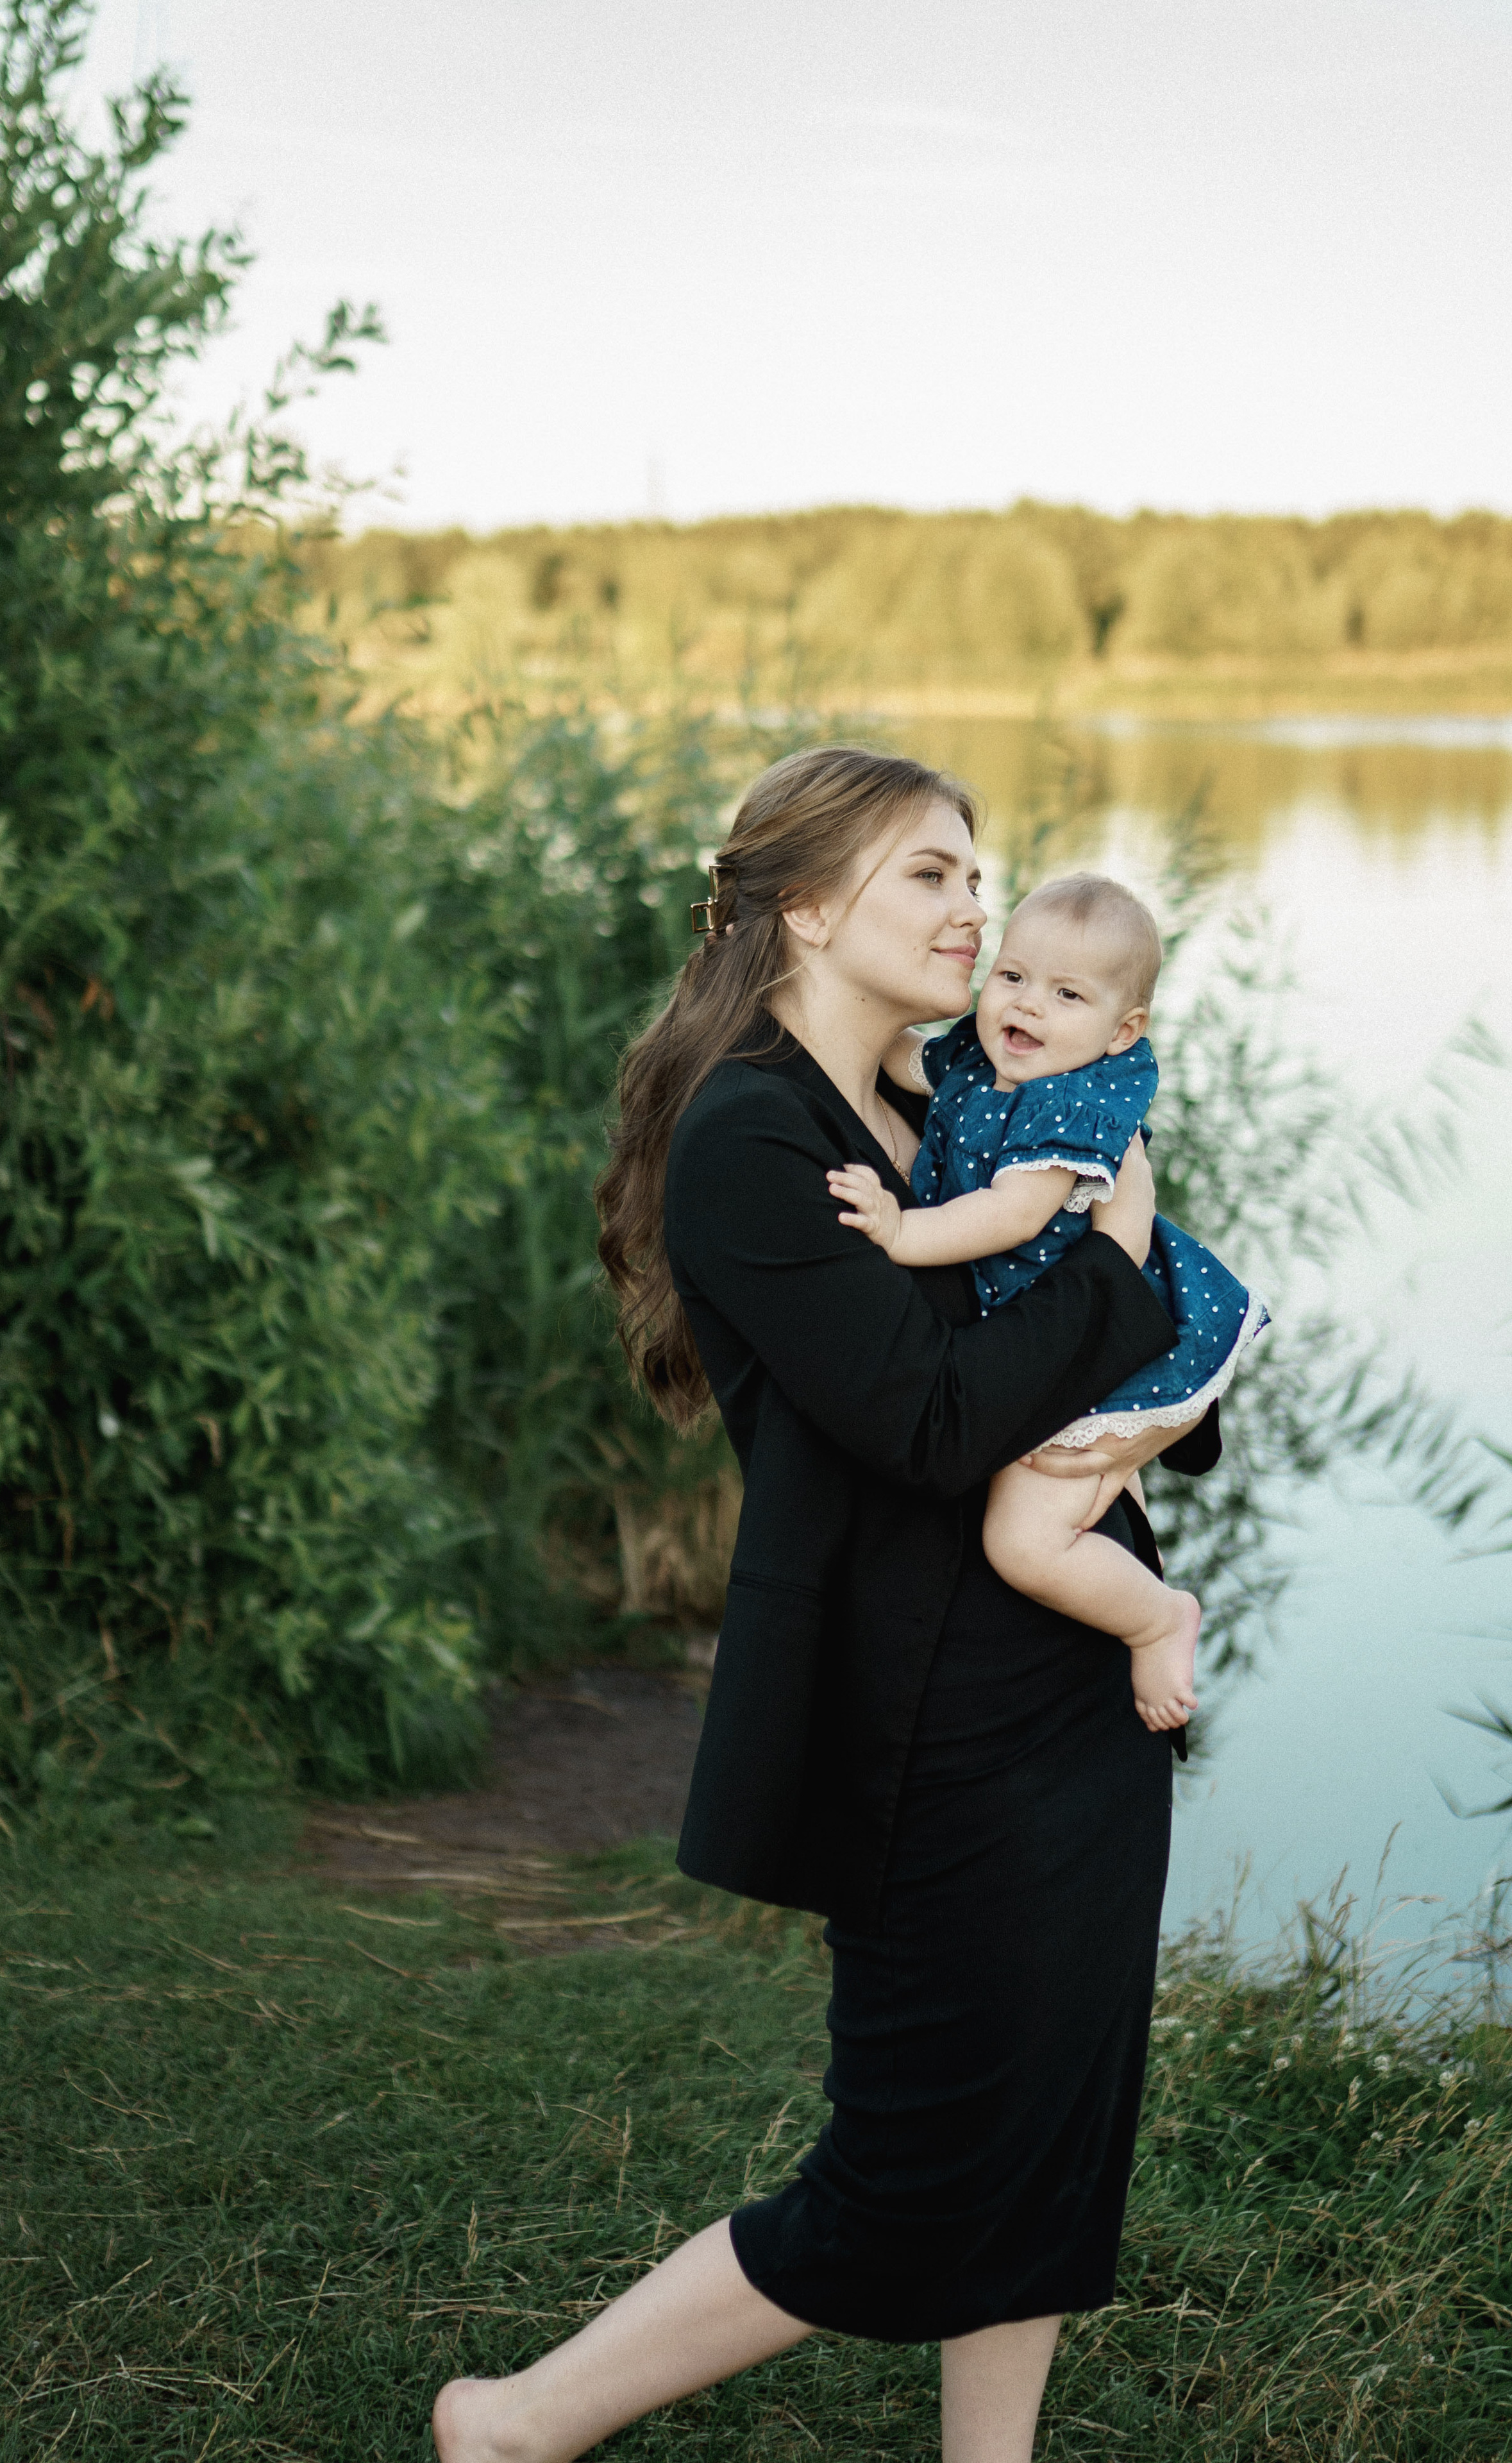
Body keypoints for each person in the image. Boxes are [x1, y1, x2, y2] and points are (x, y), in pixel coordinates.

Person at [433, 746, 1221, 2463]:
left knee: (1053, 2133)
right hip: (925, 1723)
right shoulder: (752, 1135)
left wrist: (1132, 1299)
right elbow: (933, 1424)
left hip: (1067, 1690)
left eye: (976, 873)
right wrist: (1114, 1261)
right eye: (932, 874)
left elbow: (1126, 1371)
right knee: (911, 2175)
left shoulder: (951, 1108)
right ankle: (515, 2427)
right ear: (806, 907)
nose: (976, 906)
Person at [827, 872, 1267, 1738]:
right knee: (1071, 1494)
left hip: (1089, 1353)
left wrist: (898, 1232)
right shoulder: (984, 1060)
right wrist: (842, 994)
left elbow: (1012, 1214)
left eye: (1067, 995)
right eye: (1014, 977)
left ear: (1123, 1029)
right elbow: (899, 1055)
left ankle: (1154, 1618)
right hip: (1044, 1341)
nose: (1027, 1006)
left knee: (1023, 1544)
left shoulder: (1073, 1102)